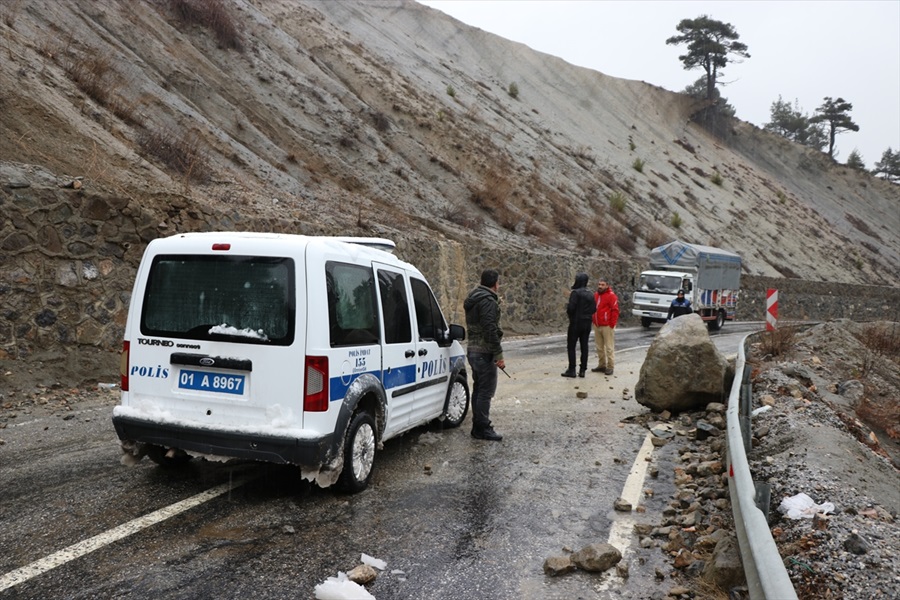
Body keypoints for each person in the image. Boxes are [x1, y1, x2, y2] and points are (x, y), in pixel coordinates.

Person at [463, 269, 505, 441]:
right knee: (485, 391)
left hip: (473, 349)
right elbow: (490, 329)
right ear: (495, 283)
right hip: (484, 351)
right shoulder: (488, 301)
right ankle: (482, 428)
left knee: (479, 389)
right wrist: (498, 354)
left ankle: (477, 426)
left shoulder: (475, 297)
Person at [562, 273, 596, 378]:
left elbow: (571, 308)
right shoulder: (590, 294)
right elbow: (594, 309)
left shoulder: (575, 293)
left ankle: (572, 369)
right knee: (584, 346)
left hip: (576, 322)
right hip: (587, 323)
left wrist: (571, 317)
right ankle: (582, 370)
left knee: (571, 346)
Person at [591, 279, 620, 376]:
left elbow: (615, 310)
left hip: (607, 325)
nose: (600, 286)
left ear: (607, 285)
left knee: (609, 347)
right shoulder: (596, 295)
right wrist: (594, 320)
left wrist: (611, 324)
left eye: (602, 285)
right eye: (599, 284)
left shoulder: (611, 296)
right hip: (597, 324)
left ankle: (610, 366)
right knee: (599, 347)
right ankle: (601, 364)